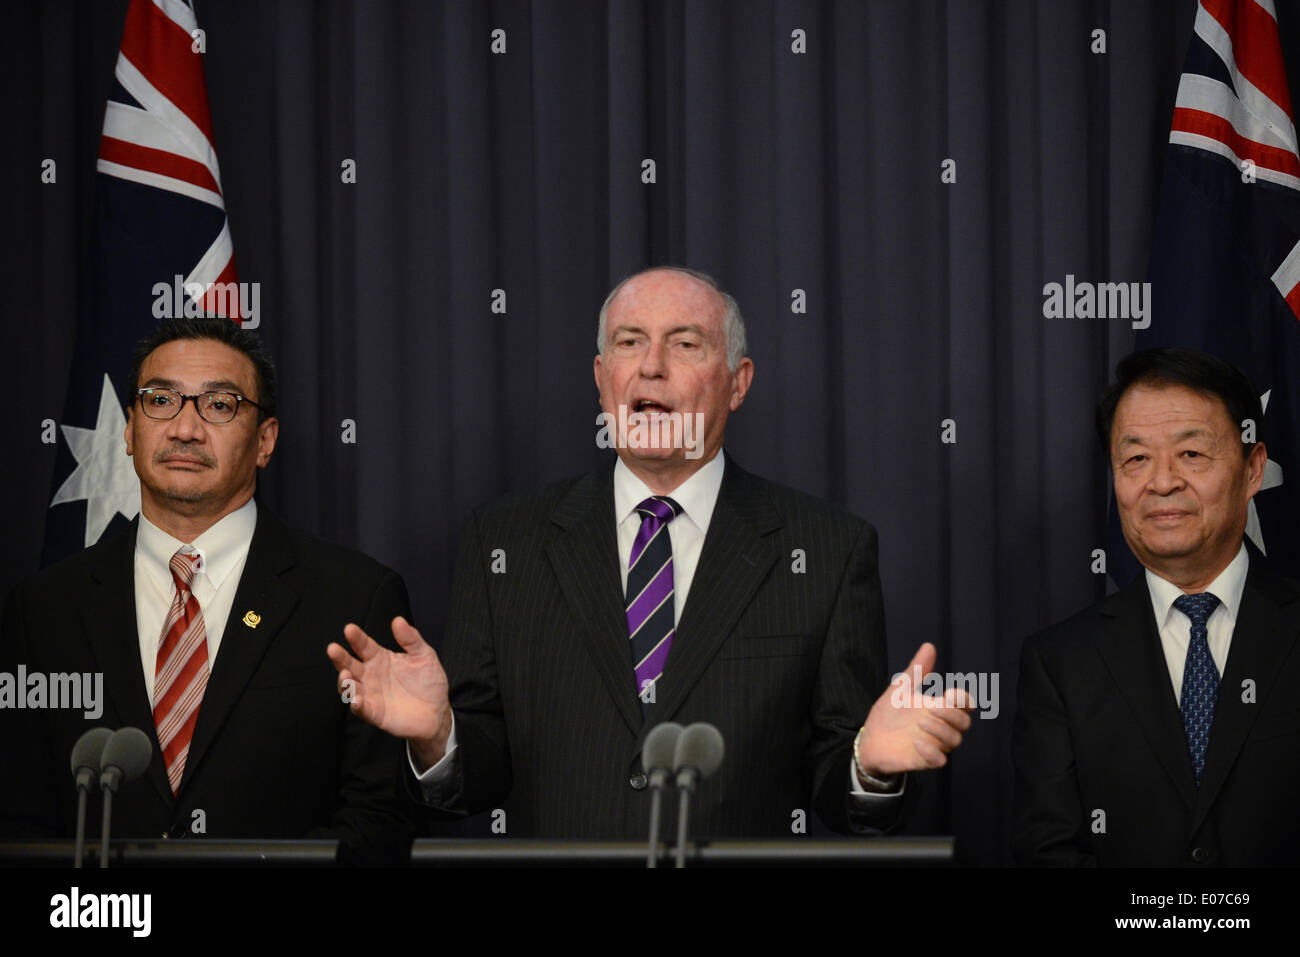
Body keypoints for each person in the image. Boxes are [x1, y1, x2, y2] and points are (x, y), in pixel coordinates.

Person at [330, 266, 974, 839]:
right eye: (628, 342)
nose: (651, 365)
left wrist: (869, 767)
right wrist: (439, 736)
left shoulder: (828, 549)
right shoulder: (503, 541)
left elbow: (841, 793)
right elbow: (478, 784)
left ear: (738, 383)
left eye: (686, 343)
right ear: (601, 377)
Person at [0, 317, 414, 864]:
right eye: (160, 401)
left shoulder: (354, 597)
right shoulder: (44, 607)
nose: (184, 429)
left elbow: (380, 815)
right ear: (129, 430)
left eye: (218, 405)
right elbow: (18, 816)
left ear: (265, 441)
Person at [1013, 347, 1300, 866]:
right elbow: (1050, 852)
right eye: (1136, 458)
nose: (1162, 482)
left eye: (1191, 454)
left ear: (1253, 469)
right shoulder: (1060, 663)